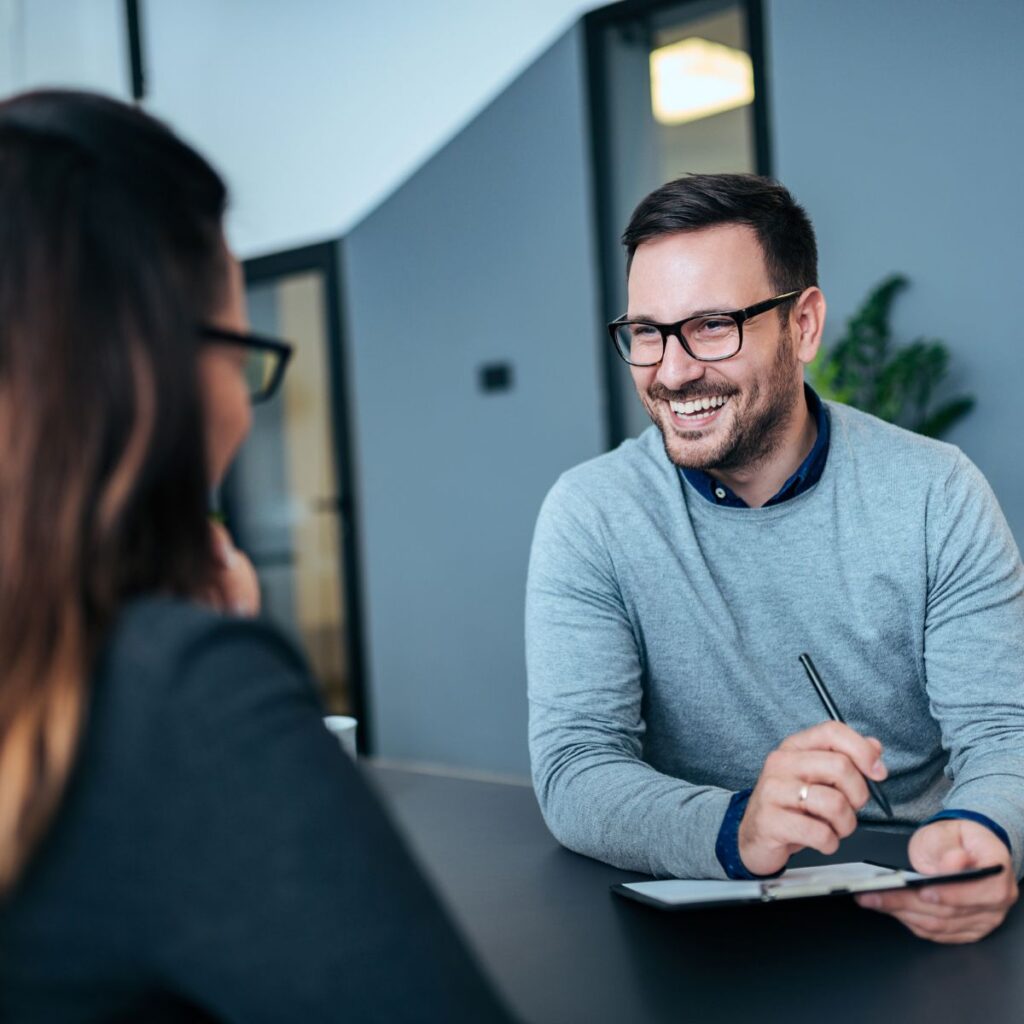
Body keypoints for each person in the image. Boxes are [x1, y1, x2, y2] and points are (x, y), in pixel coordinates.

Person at [0, 90, 514, 1022]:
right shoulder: (180, 701)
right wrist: (209, 670)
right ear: (150, 368)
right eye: (240, 353)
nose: (243, 405)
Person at [526, 173, 1024, 944]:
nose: (672, 369)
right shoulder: (592, 514)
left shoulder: (936, 493)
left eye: (713, 325)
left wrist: (981, 833)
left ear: (804, 325)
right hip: (697, 927)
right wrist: (737, 829)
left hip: (913, 908)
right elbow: (578, 768)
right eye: (648, 331)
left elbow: (1005, 734)